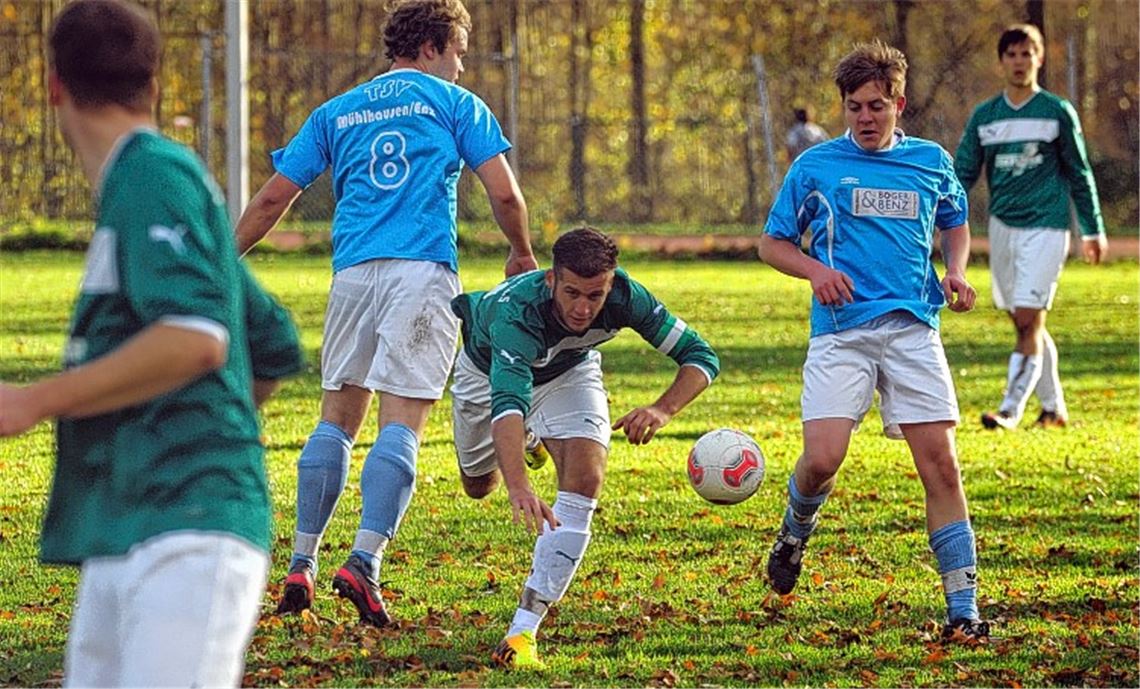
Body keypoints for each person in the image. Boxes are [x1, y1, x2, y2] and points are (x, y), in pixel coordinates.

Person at [0, 1, 304, 686]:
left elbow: (197, 339)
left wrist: (35, 400)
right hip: (124, 524)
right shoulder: (144, 186)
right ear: (156, 84)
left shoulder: (152, 175)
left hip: (188, 531)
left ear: (53, 85)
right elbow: (270, 340)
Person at [234, 0, 538, 626]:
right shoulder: (456, 104)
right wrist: (521, 251)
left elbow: (270, 200)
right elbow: (505, 193)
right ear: (430, 47)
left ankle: (300, 562)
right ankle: (364, 561)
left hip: (352, 276)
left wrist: (222, 259)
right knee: (402, 424)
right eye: (457, 53)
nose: (460, 66)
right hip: (421, 274)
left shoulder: (337, 110)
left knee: (335, 422)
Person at [758, 40, 989, 644]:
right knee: (821, 460)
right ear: (843, 107)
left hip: (913, 328)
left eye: (877, 106)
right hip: (842, 333)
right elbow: (772, 243)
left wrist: (956, 270)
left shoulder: (931, 161)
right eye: (855, 107)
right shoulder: (816, 166)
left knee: (942, 467)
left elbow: (955, 221)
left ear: (898, 105)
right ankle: (794, 532)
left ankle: (964, 610)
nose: (865, 117)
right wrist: (816, 271)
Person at [449, 227, 720, 668]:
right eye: (572, 293)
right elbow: (508, 406)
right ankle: (531, 440)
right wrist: (518, 486)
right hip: (486, 376)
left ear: (610, 285)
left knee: (586, 479)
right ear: (551, 279)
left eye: (595, 296)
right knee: (479, 485)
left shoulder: (627, 297)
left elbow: (701, 356)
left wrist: (662, 409)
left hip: (569, 372)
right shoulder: (517, 315)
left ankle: (522, 632)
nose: (583, 308)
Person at [955, 23, 1108, 431]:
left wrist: (1092, 229)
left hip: (1047, 227)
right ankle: (1053, 409)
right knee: (1027, 321)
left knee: (1027, 318)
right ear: (1001, 61)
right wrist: (938, 214)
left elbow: (1079, 172)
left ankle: (1009, 409)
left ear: (1039, 58)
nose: (1020, 62)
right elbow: (963, 173)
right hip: (1002, 226)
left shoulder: (1057, 111)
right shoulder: (985, 116)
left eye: (1027, 54)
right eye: (1012, 54)